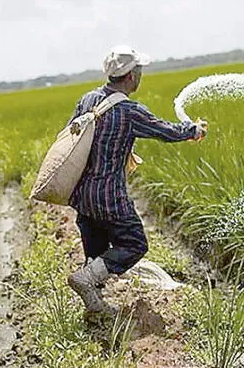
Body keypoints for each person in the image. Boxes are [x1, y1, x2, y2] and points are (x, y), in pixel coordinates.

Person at [66, 45, 208, 313]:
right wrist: (193, 130)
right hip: (109, 197)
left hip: (82, 195)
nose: (140, 75)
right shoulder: (129, 111)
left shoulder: (87, 100)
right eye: (139, 71)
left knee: (96, 252)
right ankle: (86, 280)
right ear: (131, 76)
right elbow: (165, 131)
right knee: (133, 243)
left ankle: (93, 307)